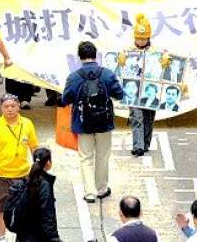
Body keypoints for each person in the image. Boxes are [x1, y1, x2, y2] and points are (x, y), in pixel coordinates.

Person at [62, 41, 123, 203]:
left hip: (83, 122)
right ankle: (101, 189)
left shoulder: (74, 77)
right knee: (103, 156)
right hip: (104, 122)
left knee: (86, 157)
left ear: (79, 56)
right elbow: (119, 94)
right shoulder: (107, 74)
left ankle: (89, 193)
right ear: (95, 55)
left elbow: (65, 99)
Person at [0, 94, 39, 242]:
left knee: (24, 210)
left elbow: (34, 147)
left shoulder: (27, 124)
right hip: (0, 177)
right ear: (1, 108)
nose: (10, 109)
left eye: (13, 106)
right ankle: (1, 238)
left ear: (18, 107)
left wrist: (38, 169)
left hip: (22, 175)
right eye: (6, 107)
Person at [118, 14, 170, 156]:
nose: (140, 41)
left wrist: (166, 60)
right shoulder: (127, 50)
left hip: (150, 89)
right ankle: (138, 146)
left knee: (148, 117)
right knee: (136, 117)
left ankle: (145, 143)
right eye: (138, 38)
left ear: (148, 38)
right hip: (133, 89)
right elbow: (119, 69)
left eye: (143, 38)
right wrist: (120, 60)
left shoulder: (157, 51)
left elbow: (168, 64)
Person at [12, 147, 62, 242]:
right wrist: (54, 237)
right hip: (39, 236)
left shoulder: (26, 180)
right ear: (48, 163)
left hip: (23, 235)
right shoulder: (45, 184)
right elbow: (47, 214)